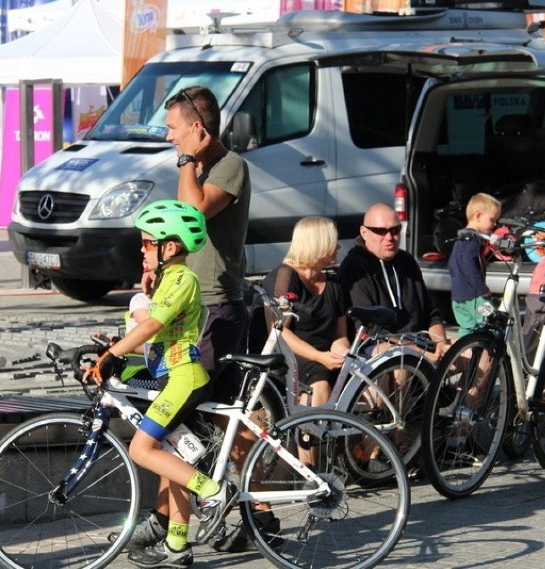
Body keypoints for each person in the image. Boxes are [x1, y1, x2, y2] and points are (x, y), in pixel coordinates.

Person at [135, 85, 253, 553]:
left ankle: (173, 525)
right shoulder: (202, 167)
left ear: (197, 128)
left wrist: (187, 163)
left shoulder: (229, 167)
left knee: (175, 423)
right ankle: (196, 522)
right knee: (211, 422)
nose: (169, 139)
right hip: (193, 305)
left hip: (213, 308)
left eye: (174, 129)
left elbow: (192, 214)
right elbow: (176, 235)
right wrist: (155, 269)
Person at [87, 200, 235, 569]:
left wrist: (109, 356)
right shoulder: (171, 277)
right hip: (170, 376)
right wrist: (150, 286)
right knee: (173, 460)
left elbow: (151, 327)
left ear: (170, 247)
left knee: (141, 450)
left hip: (183, 377)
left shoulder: (184, 278)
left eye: (147, 242)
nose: (142, 248)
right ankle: (177, 546)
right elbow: (153, 319)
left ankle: (215, 492)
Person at [261, 217, 350, 465]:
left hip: (322, 356)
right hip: (291, 354)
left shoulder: (333, 285)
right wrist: (320, 356)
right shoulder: (285, 277)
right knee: (319, 383)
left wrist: (342, 352)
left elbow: (340, 334)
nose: (338, 247)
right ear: (318, 244)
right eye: (333, 242)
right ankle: (308, 468)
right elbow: (278, 331)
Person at [336, 202, 451, 361]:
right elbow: (370, 329)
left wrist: (441, 344)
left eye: (395, 230)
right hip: (379, 346)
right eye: (380, 231)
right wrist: (418, 353)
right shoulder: (354, 268)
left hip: (419, 343)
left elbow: (431, 313)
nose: (389, 237)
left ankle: (461, 387)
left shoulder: (406, 261)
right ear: (364, 232)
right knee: (400, 359)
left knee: (479, 353)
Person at [448, 193, 501, 336]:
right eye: (492, 219)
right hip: (475, 297)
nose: (495, 224)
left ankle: (463, 356)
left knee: (467, 330)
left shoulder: (461, 238)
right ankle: (485, 357)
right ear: (477, 216)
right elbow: (468, 264)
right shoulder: (473, 240)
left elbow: (452, 265)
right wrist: (481, 288)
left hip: (458, 298)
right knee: (489, 327)